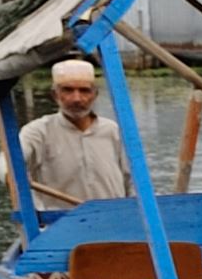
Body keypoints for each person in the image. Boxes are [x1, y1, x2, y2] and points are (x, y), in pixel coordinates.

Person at [9, 57, 131, 208]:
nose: (77, 99)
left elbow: (133, 181)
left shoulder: (114, 131)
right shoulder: (39, 131)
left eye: (84, 91)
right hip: (60, 223)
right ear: (55, 95)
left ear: (95, 94)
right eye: (68, 90)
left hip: (113, 221)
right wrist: (11, 174)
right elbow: (10, 159)